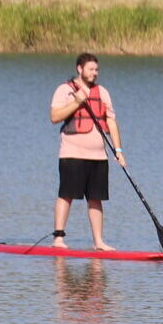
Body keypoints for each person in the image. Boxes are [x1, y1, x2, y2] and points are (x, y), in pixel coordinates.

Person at [49, 52, 128, 251]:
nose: (95, 73)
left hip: (99, 156)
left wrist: (118, 149)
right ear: (80, 69)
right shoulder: (64, 90)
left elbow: (111, 121)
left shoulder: (103, 93)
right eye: (91, 69)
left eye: (97, 70)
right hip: (72, 154)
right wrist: (76, 102)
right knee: (66, 194)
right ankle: (58, 238)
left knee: (96, 198)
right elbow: (54, 117)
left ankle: (98, 242)